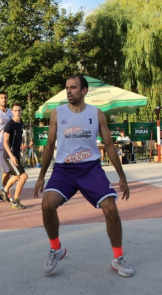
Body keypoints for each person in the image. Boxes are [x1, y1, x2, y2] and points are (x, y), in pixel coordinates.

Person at [34, 75, 133, 277]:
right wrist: (41, 176)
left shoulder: (96, 114)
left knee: (111, 208)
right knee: (47, 203)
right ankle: (56, 249)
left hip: (90, 169)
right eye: (66, 88)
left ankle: (118, 258)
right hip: (64, 170)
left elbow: (109, 146)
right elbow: (50, 145)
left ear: (84, 90)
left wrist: (121, 176)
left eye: (73, 87)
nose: (68, 91)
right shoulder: (57, 113)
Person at [0, 103, 28, 209]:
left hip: (16, 154)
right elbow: (5, 142)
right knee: (24, 176)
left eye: (19, 110)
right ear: (12, 112)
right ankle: (15, 201)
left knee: (16, 176)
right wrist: (12, 156)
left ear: (22, 111)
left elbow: (18, 137)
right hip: (10, 155)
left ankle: (4, 191)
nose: (18, 112)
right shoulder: (9, 124)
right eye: (15, 110)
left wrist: (22, 144)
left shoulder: (21, 123)